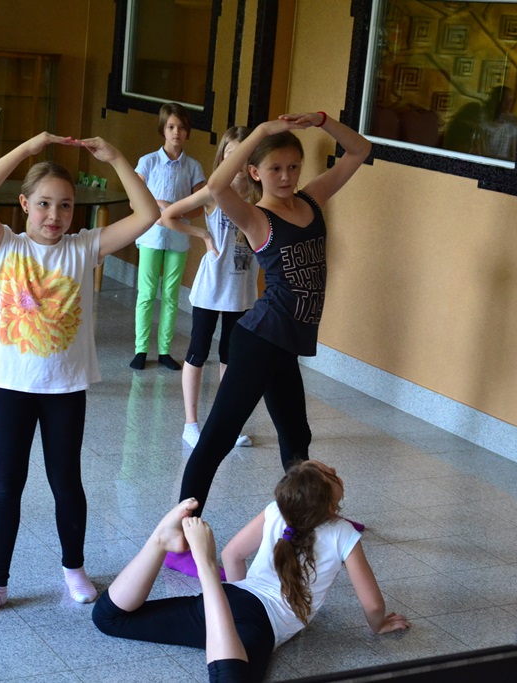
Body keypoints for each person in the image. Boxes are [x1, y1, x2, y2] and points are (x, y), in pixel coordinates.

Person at [0, 131, 159, 618]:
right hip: (14, 388)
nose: (54, 215)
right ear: (24, 205)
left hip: (65, 389)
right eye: (44, 204)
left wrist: (117, 155)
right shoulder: (5, 245)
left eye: (65, 206)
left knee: (66, 482)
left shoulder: (84, 248)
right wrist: (27, 150)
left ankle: (74, 568)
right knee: (6, 487)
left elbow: (148, 214)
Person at [165, 111, 372, 578]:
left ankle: (308, 522)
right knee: (216, 439)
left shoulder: (312, 200)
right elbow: (217, 186)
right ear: (255, 172)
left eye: (293, 167)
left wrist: (323, 121)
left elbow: (360, 150)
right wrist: (259, 132)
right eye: (275, 168)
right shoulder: (258, 217)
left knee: (296, 437)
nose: (286, 176)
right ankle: (178, 539)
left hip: (284, 344)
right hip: (259, 341)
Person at [93, 461, 410, 682]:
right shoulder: (344, 534)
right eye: (330, 473)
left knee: (110, 619)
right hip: (260, 623)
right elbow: (372, 604)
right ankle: (205, 567)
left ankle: (158, 541)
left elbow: (232, 554)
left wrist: (235, 601)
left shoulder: (276, 510)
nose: (335, 469)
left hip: (231, 596)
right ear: (330, 507)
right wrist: (379, 624)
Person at [160, 126, 259, 450]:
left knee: (232, 357)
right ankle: (191, 425)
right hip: (211, 288)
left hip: (241, 291)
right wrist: (202, 235)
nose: (236, 163)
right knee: (198, 353)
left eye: (242, 155)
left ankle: (225, 425)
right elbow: (168, 216)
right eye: (230, 155)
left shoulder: (259, 197)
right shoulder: (213, 192)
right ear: (222, 158)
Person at [130, 103, 206, 371]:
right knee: (146, 293)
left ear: (188, 132)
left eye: (182, 127)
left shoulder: (193, 167)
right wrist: (159, 204)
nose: (176, 132)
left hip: (178, 239)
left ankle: (164, 351)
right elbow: (135, 200)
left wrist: (175, 210)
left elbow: (201, 206)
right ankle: (141, 349)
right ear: (163, 129)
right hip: (151, 237)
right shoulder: (148, 162)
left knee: (171, 295)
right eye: (171, 127)